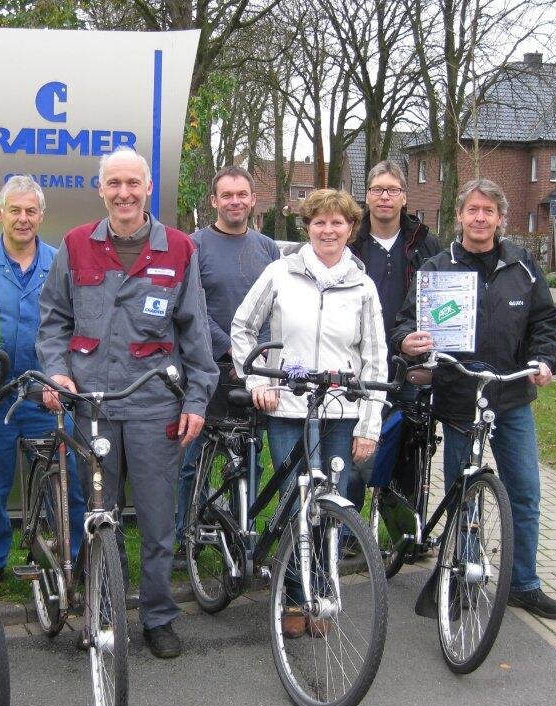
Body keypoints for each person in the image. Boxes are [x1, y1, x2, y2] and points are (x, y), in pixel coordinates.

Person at [37, 147, 217, 659]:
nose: (123, 193)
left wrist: (197, 400)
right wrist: (56, 370)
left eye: (132, 184)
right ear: (101, 190)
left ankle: (158, 616)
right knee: (99, 515)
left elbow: (196, 337)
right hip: (91, 405)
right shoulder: (75, 245)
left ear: (147, 189)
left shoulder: (179, 249)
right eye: (113, 183)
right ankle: (103, 611)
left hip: (155, 406)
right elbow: (53, 320)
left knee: (159, 520)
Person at [392, 178, 556, 620]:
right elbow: (404, 322)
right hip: (458, 397)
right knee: (463, 493)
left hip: (510, 397)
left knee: (524, 492)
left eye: (488, 210)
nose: (480, 218)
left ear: (500, 218)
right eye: (473, 210)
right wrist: (407, 341)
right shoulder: (438, 267)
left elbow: (547, 320)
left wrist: (545, 358)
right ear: (460, 216)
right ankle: (464, 577)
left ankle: (523, 583)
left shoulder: (523, 266)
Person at [232, 188, 386, 638]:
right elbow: (243, 328)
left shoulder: (363, 285)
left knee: (332, 505)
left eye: (338, 222)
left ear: (351, 229)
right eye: (319, 222)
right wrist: (259, 381)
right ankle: (295, 595)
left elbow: (376, 360)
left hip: (342, 412)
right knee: (295, 503)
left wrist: (370, 424)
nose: (328, 230)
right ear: (308, 227)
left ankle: (322, 588)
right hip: (288, 408)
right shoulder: (281, 272)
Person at [0, 176, 85, 584]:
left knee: (64, 485)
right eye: (14, 209)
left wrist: (62, 378)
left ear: (41, 215)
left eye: (31, 210)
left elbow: (74, 326)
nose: (23, 218)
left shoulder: (59, 262)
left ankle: (73, 560)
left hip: (44, 395)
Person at [174, 166, 280, 564]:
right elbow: (194, 309)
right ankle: (186, 537)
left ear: (253, 200)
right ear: (214, 201)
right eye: (227, 195)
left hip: (256, 371)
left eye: (242, 194)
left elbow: (275, 307)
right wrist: (232, 355)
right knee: (193, 457)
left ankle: (241, 534)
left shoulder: (268, 248)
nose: (235, 201)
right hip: (208, 368)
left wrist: (258, 360)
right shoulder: (194, 245)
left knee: (251, 457)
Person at [345, 161, 441, 514]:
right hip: (355, 364)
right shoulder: (348, 241)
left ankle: (402, 531)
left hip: (409, 366)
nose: (384, 197)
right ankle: (347, 529)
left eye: (392, 190)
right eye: (377, 190)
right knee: (352, 448)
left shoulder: (426, 244)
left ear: (404, 197)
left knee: (408, 449)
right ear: (366, 196)